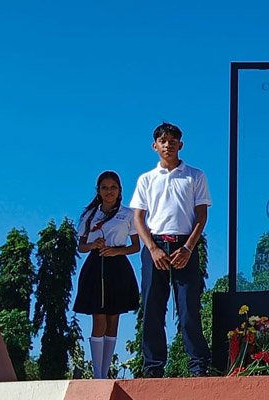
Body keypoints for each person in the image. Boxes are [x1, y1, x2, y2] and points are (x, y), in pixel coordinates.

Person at [130, 122, 212, 378]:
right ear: (155, 146)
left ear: (181, 144)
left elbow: (201, 215)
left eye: (173, 140)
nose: (168, 144)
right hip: (155, 246)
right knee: (152, 308)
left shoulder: (195, 175)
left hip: (184, 246)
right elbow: (138, 218)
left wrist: (188, 247)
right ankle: (153, 368)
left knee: (188, 307)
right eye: (163, 140)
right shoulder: (146, 179)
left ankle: (198, 365)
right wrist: (152, 248)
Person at [73, 170, 140, 379]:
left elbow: (136, 246)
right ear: (98, 191)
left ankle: (105, 371)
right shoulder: (89, 214)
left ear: (120, 190)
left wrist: (117, 251)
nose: (109, 192)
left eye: (113, 187)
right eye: (104, 188)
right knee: (98, 317)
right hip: (96, 265)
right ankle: (97, 374)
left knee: (113, 317)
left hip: (118, 266)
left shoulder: (128, 214)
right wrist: (94, 244)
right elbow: (81, 246)